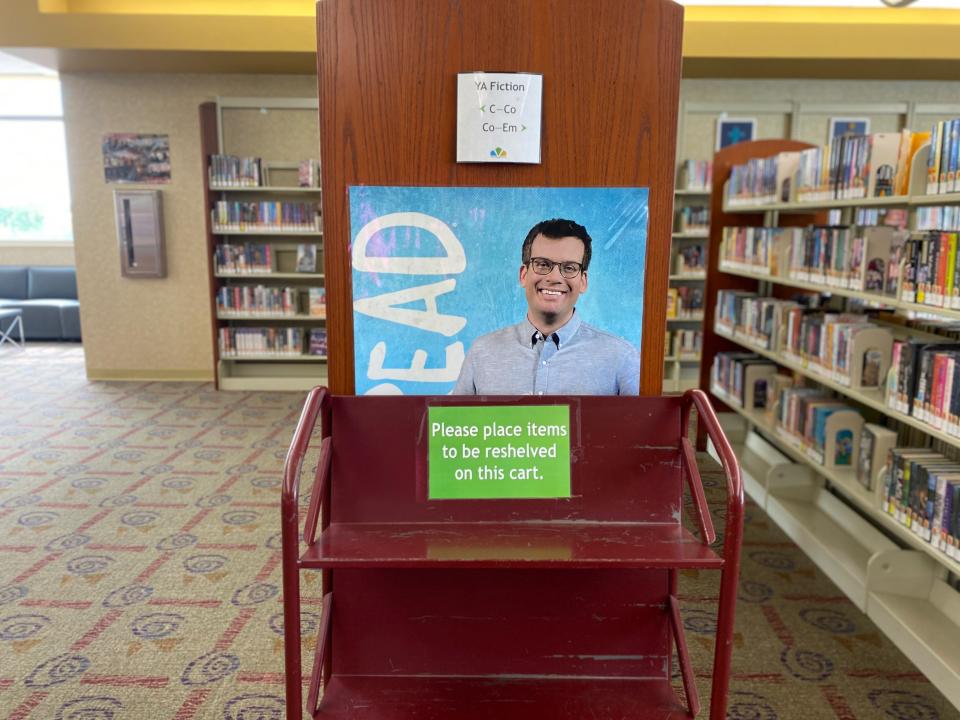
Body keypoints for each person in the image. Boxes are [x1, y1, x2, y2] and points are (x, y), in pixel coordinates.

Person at [452, 218, 640, 395]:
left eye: (569, 268)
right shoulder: (482, 352)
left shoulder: (621, 358)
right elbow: (453, 427)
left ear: (583, 281)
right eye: (542, 264)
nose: (554, 278)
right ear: (523, 275)